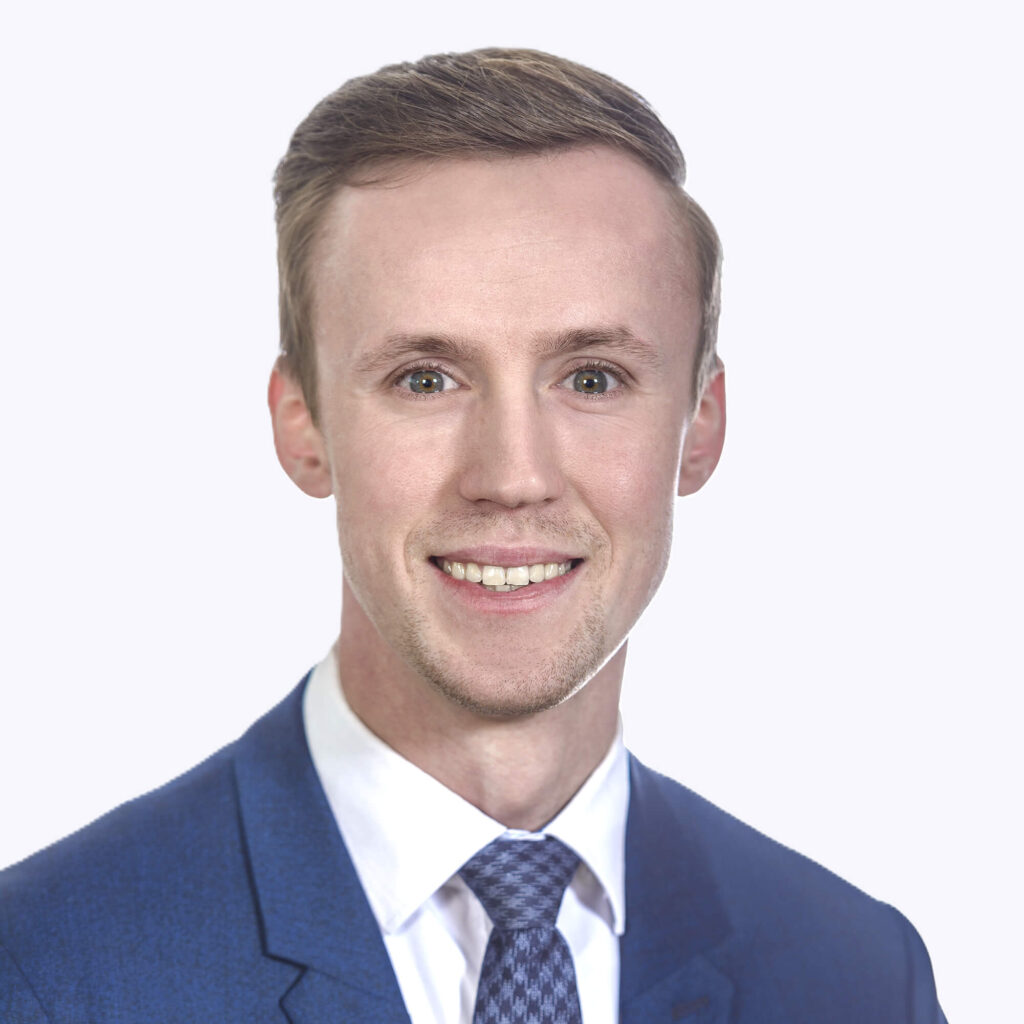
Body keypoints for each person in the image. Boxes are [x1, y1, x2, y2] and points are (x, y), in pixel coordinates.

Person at [0, 48, 945, 1024]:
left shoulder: (862, 977)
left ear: (700, 426)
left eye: (592, 378)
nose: (511, 475)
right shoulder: (40, 972)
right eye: (425, 379)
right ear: (302, 425)